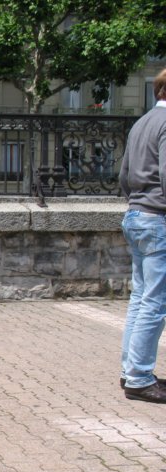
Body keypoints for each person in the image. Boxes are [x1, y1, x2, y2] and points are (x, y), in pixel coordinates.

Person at [119, 67, 166, 403]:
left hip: (136, 214)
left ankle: (130, 370)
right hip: (157, 217)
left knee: (140, 299)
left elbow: (123, 174)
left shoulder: (142, 122)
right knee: (155, 301)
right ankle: (138, 377)